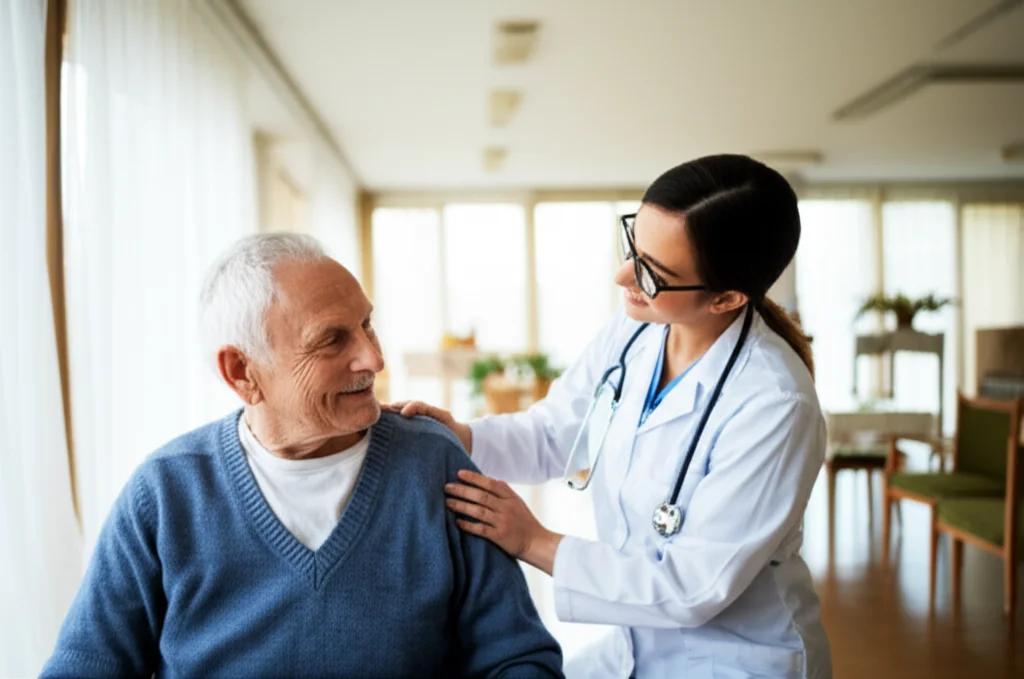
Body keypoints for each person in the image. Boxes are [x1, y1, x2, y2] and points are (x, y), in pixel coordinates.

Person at [42, 234, 563, 679]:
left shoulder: (433, 465)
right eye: (333, 340)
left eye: (367, 325)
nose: (373, 359)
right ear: (242, 373)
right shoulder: (165, 493)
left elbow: (521, 659)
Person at [391, 155, 832, 678]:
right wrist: (463, 435)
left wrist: (534, 541)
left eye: (652, 271)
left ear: (728, 297)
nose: (623, 276)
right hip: (632, 649)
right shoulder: (636, 333)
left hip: (731, 659)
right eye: (633, 248)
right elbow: (561, 433)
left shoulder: (774, 405)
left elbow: (692, 586)